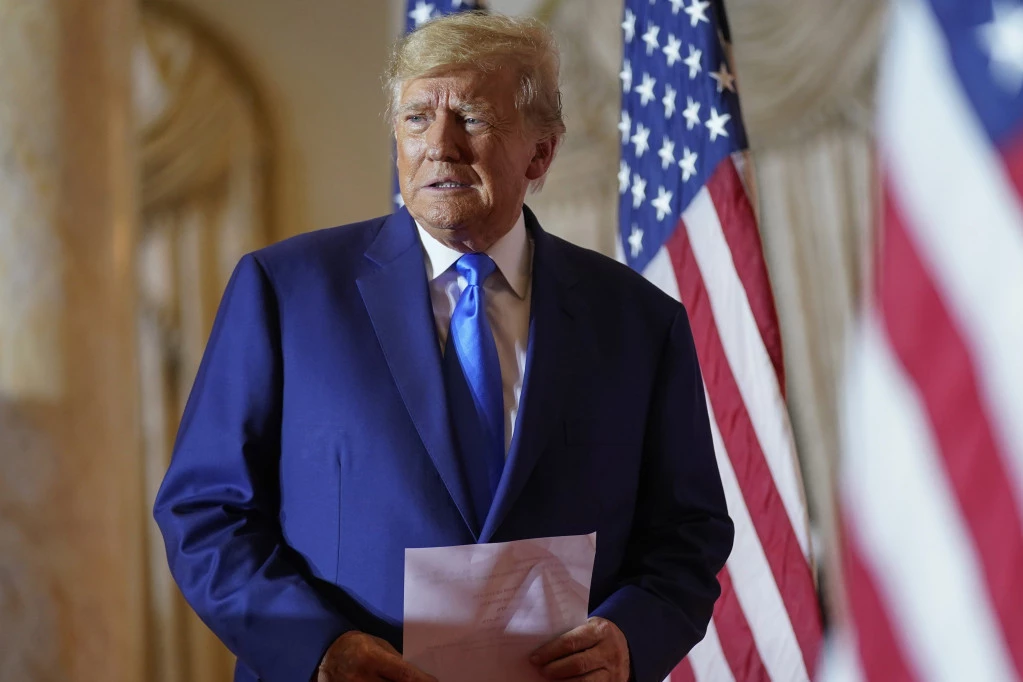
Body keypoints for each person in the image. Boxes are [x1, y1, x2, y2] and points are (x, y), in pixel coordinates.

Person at [154, 11, 733, 682]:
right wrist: (318, 650)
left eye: (472, 118)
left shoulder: (639, 321)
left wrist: (631, 638)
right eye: (416, 118)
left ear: (540, 153)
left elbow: (686, 532)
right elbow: (205, 511)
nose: (439, 146)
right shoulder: (285, 293)